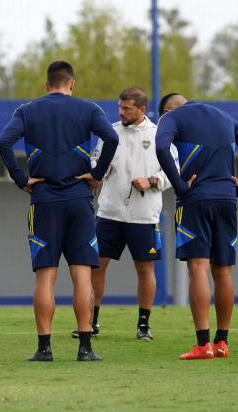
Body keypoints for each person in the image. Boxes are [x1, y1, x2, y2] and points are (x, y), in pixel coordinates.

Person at [0, 60, 118, 362]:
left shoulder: (27, 110)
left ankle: (44, 348)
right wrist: (97, 173)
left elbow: (4, 142)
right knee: (82, 277)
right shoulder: (88, 109)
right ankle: (86, 348)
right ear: (72, 83)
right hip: (79, 201)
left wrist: (21, 179)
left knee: (45, 277)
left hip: (44, 202)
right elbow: (112, 138)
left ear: (47, 84)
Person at [156, 94, 238, 359]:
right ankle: (222, 342)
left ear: (169, 109)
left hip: (195, 200)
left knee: (198, 269)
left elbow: (161, 148)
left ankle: (203, 344)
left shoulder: (172, 117)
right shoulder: (223, 116)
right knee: (224, 272)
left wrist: (181, 185)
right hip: (227, 200)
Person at [74, 86, 174, 341]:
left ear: (142, 109)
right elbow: (95, 165)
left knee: (144, 267)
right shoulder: (111, 132)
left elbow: (174, 171)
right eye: (120, 107)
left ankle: (143, 325)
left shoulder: (159, 134)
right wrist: (101, 168)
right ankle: (91, 321)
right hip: (109, 212)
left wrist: (152, 181)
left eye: (127, 108)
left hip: (144, 215)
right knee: (97, 265)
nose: (122, 112)